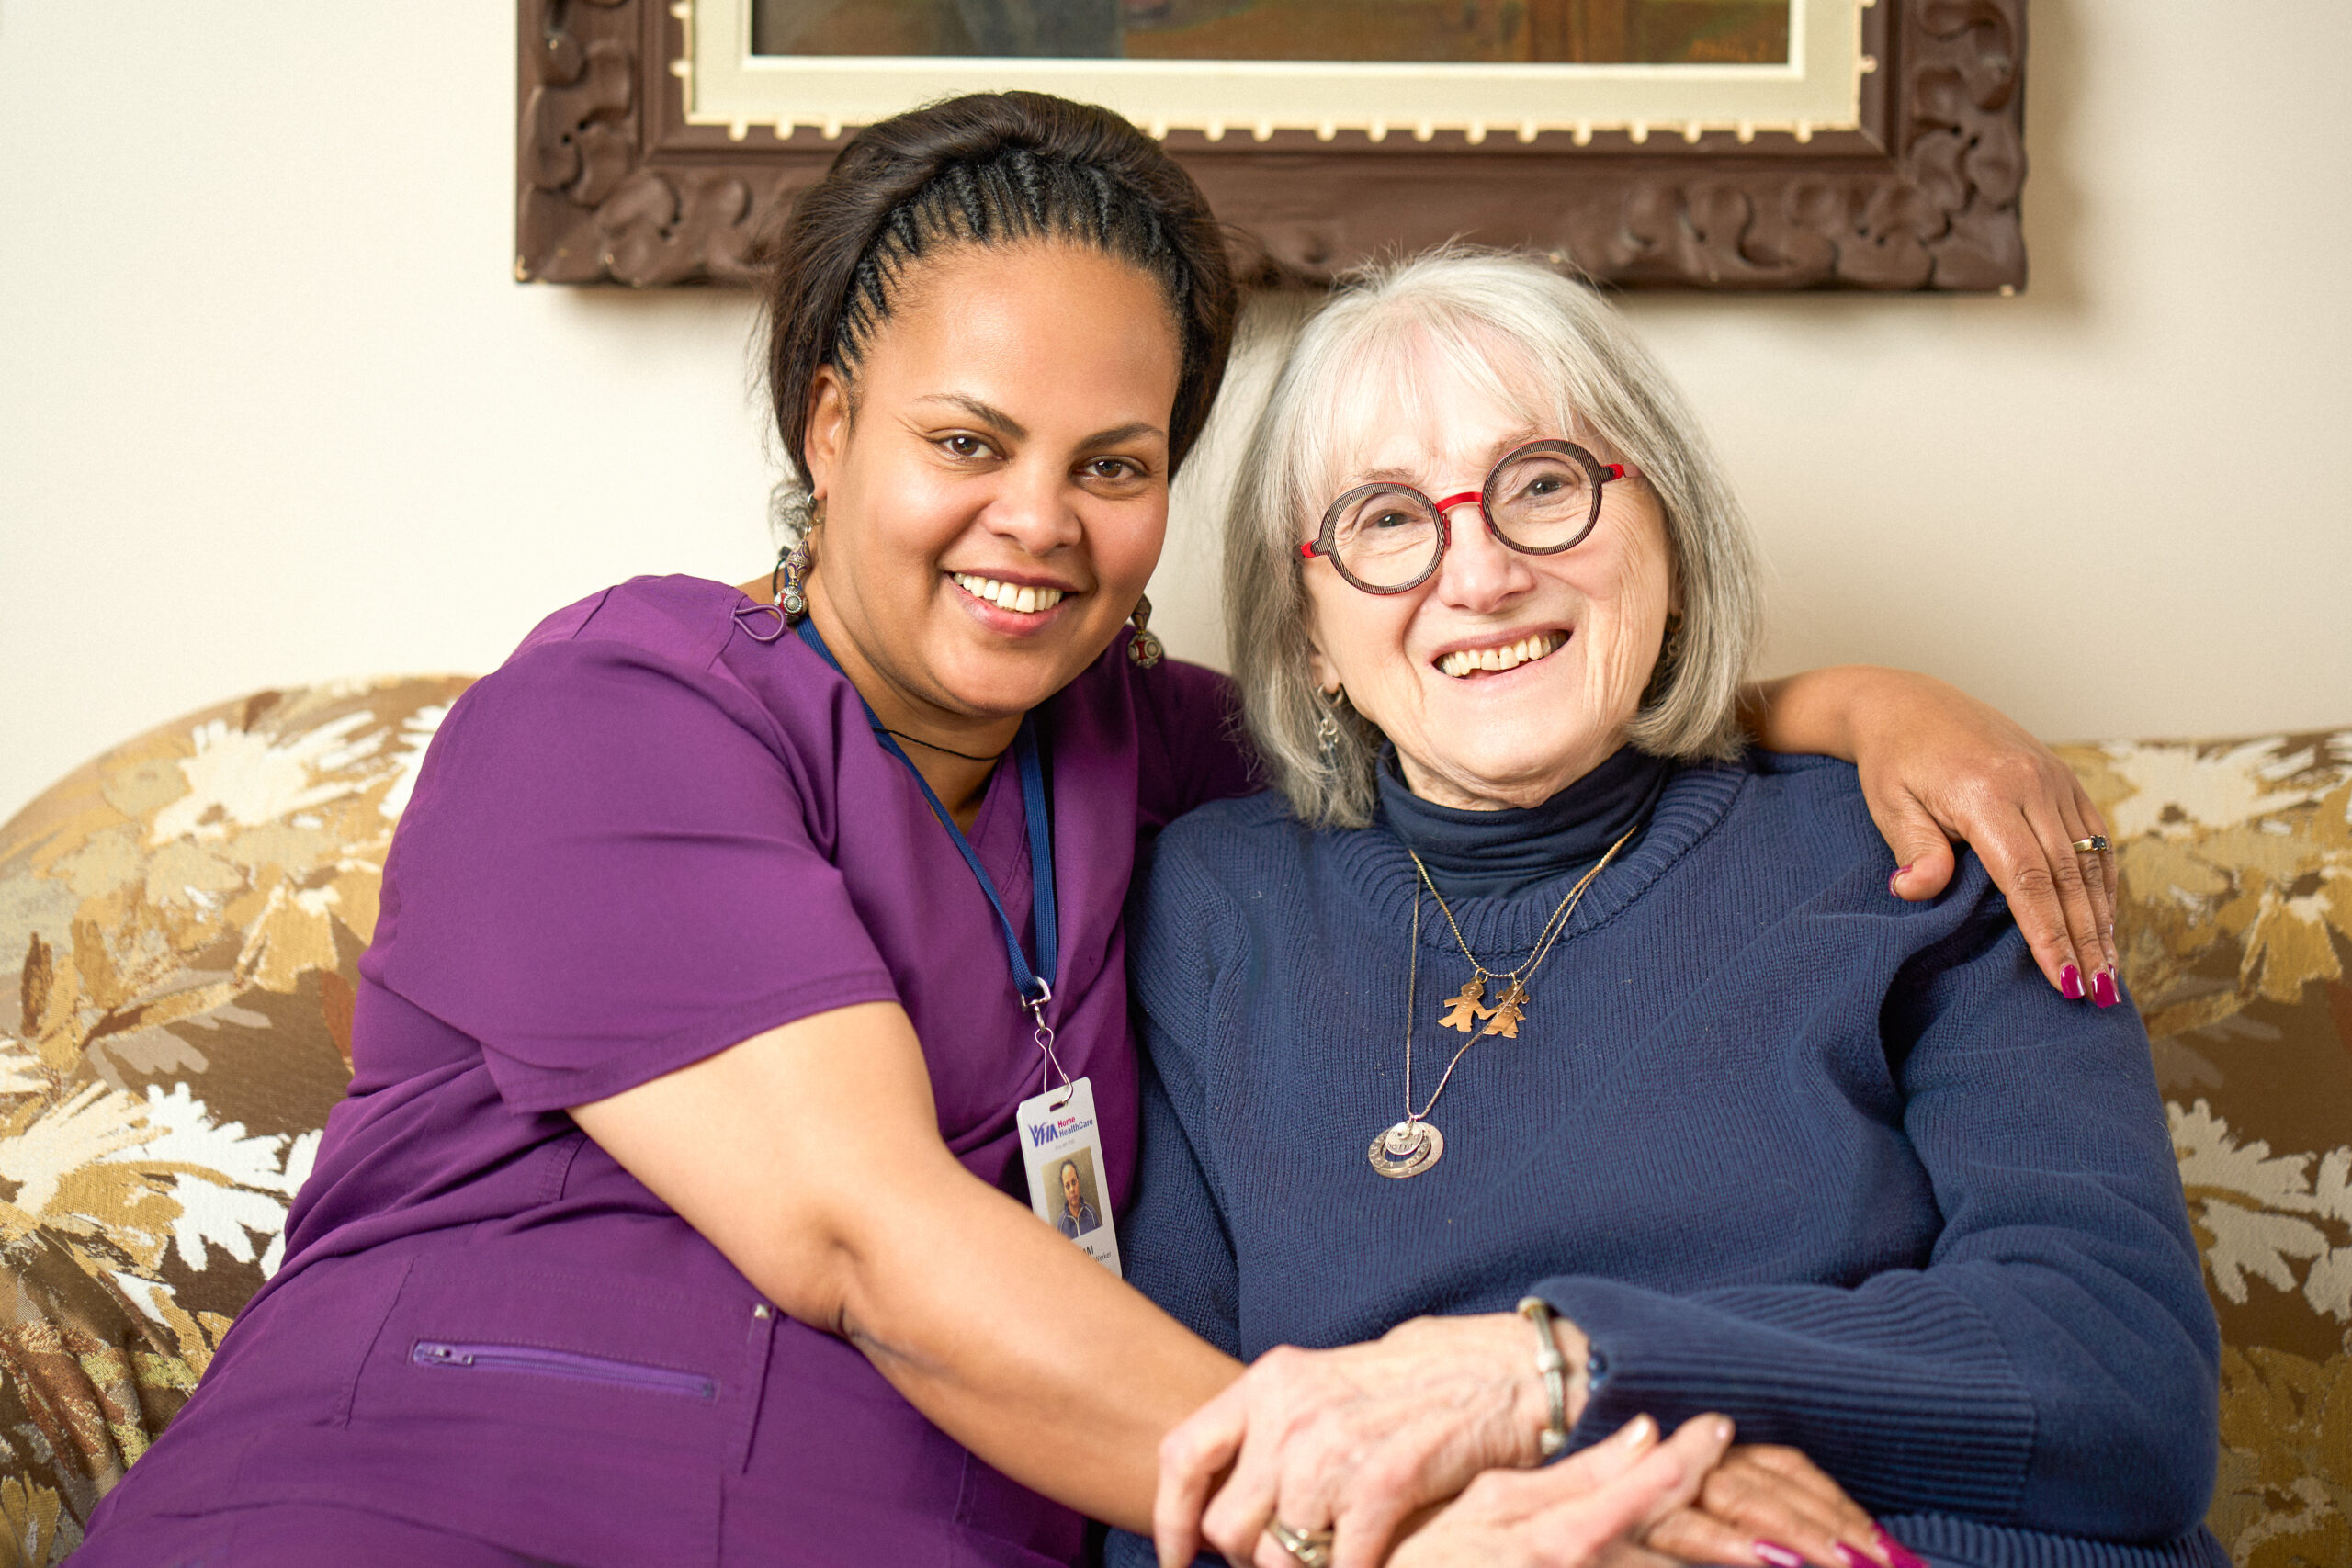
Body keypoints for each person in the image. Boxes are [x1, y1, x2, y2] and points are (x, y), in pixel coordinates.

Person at [75, 94, 2131, 1568]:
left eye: (1114, 461)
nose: (1037, 522)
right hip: (449, 1494)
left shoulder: (1171, 767)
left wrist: (1843, 708)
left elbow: (1493, 706)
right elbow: (862, 1235)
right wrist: (1401, 1504)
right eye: (964, 440)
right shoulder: (612, 718)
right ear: (825, 427)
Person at [1112, 249, 2223, 1568]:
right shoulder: (1210, 913)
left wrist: (1550, 1375)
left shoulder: (1918, 846)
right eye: (1388, 519)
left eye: (1544, 484)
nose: (1480, 575)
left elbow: (2120, 1386)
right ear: (1309, 635)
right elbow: (1178, 1489)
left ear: (1673, 545)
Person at [1060, 1157, 1105, 1237]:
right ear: (1064, 1191)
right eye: (1067, 1186)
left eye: (1074, 1182)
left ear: (1078, 1182)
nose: (1072, 1189)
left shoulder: (1091, 1213)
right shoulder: (1061, 1226)